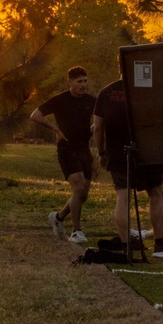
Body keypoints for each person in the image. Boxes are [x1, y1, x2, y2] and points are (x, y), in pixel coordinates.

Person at [92, 76, 163, 257]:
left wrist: (102, 153)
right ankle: (160, 245)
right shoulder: (150, 89)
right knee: (156, 194)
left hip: (118, 154)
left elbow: (97, 128)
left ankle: (127, 246)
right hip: (148, 152)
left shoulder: (106, 92)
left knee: (123, 197)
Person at [31, 66, 95, 246]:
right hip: (66, 148)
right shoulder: (60, 100)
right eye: (79, 81)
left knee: (83, 195)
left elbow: (102, 118)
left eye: (85, 81)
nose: (83, 85)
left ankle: (58, 217)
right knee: (78, 187)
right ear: (70, 82)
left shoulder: (91, 101)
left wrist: (93, 129)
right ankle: (76, 231)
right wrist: (56, 129)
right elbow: (35, 115)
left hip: (84, 149)